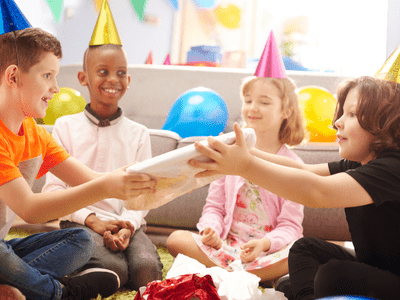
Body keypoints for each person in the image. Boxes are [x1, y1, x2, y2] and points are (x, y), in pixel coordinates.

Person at [190, 75, 400, 300]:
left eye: (352, 114)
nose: (337, 122)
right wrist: (246, 152)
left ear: (384, 124)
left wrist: (245, 166)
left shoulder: (393, 167)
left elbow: (319, 192)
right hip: (375, 265)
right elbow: (305, 171)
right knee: (304, 248)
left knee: (333, 274)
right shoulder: (362, 161)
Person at [0, 11, 156, 300]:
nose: (56, 89)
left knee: (80, 240)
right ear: (13, 76)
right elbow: (30, 209)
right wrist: (108, 185)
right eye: (47, 76)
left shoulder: (35, 134)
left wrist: (149, 176)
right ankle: (60, 292)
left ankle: (15, 286)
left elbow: (92, 180)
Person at [43, 44, 163, 291]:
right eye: (102, 71)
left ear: (128, 79)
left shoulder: (138, 133)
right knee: (113, 270)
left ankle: (114, 258)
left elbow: (142, 196)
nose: (113, 79)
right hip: (80, 222)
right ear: (83, 77)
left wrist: (127, 227)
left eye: (120, 73)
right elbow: (52, 191)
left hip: (125, 222)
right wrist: (92, 219)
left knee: (146, 271)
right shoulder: (65, 127)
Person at [167, 73, 305, 285]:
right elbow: (215, 208)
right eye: (248, 100)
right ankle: (247, 277)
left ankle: (234, 275)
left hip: (269, 252)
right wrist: (210, 230)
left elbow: (291, 226)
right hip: (226, 249)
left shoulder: (293, 166)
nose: (252, 108)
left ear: (287, 110)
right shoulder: (228, 153)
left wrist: (265, 244)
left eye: (264, 102)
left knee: (302, 250)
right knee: (176, 239)